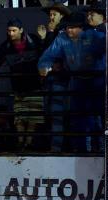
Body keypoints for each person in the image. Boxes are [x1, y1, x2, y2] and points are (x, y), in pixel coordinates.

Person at [38, 12, 105, 153]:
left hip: (97, 81)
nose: (69, 30)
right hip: (77, 82)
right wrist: (44, 66)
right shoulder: (62, 38)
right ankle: (81, 151)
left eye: (73, 27)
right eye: (67, 27)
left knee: (97, 118)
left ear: (82, 28)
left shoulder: (95, 36)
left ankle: (101, 150)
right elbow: (48, 56)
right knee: (78, 119)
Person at [0, 18, 44, 151]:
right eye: (9, 31)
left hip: (35, 86)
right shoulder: (6, 46)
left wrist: (45, 38)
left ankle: (28, 143)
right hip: (18, 88)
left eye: (14, 30)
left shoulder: (33, 40)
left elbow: (45, 53)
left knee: (33, 117)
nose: (11, 33)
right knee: (20, 118)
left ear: (21, 30)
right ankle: (21, 143)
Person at [37, 3, 71, 152]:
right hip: (49, 79)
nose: (51, 17)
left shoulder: (64, 31)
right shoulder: (52, 32)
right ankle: (52, 147)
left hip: (61, 80)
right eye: (50, 14)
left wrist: (50, 33)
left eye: (54, 14)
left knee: (58, 115)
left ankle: (57, 148)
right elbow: (45, 55)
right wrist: (44, 38)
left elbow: (59, 55)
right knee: (49, 115)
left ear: (61, 16)